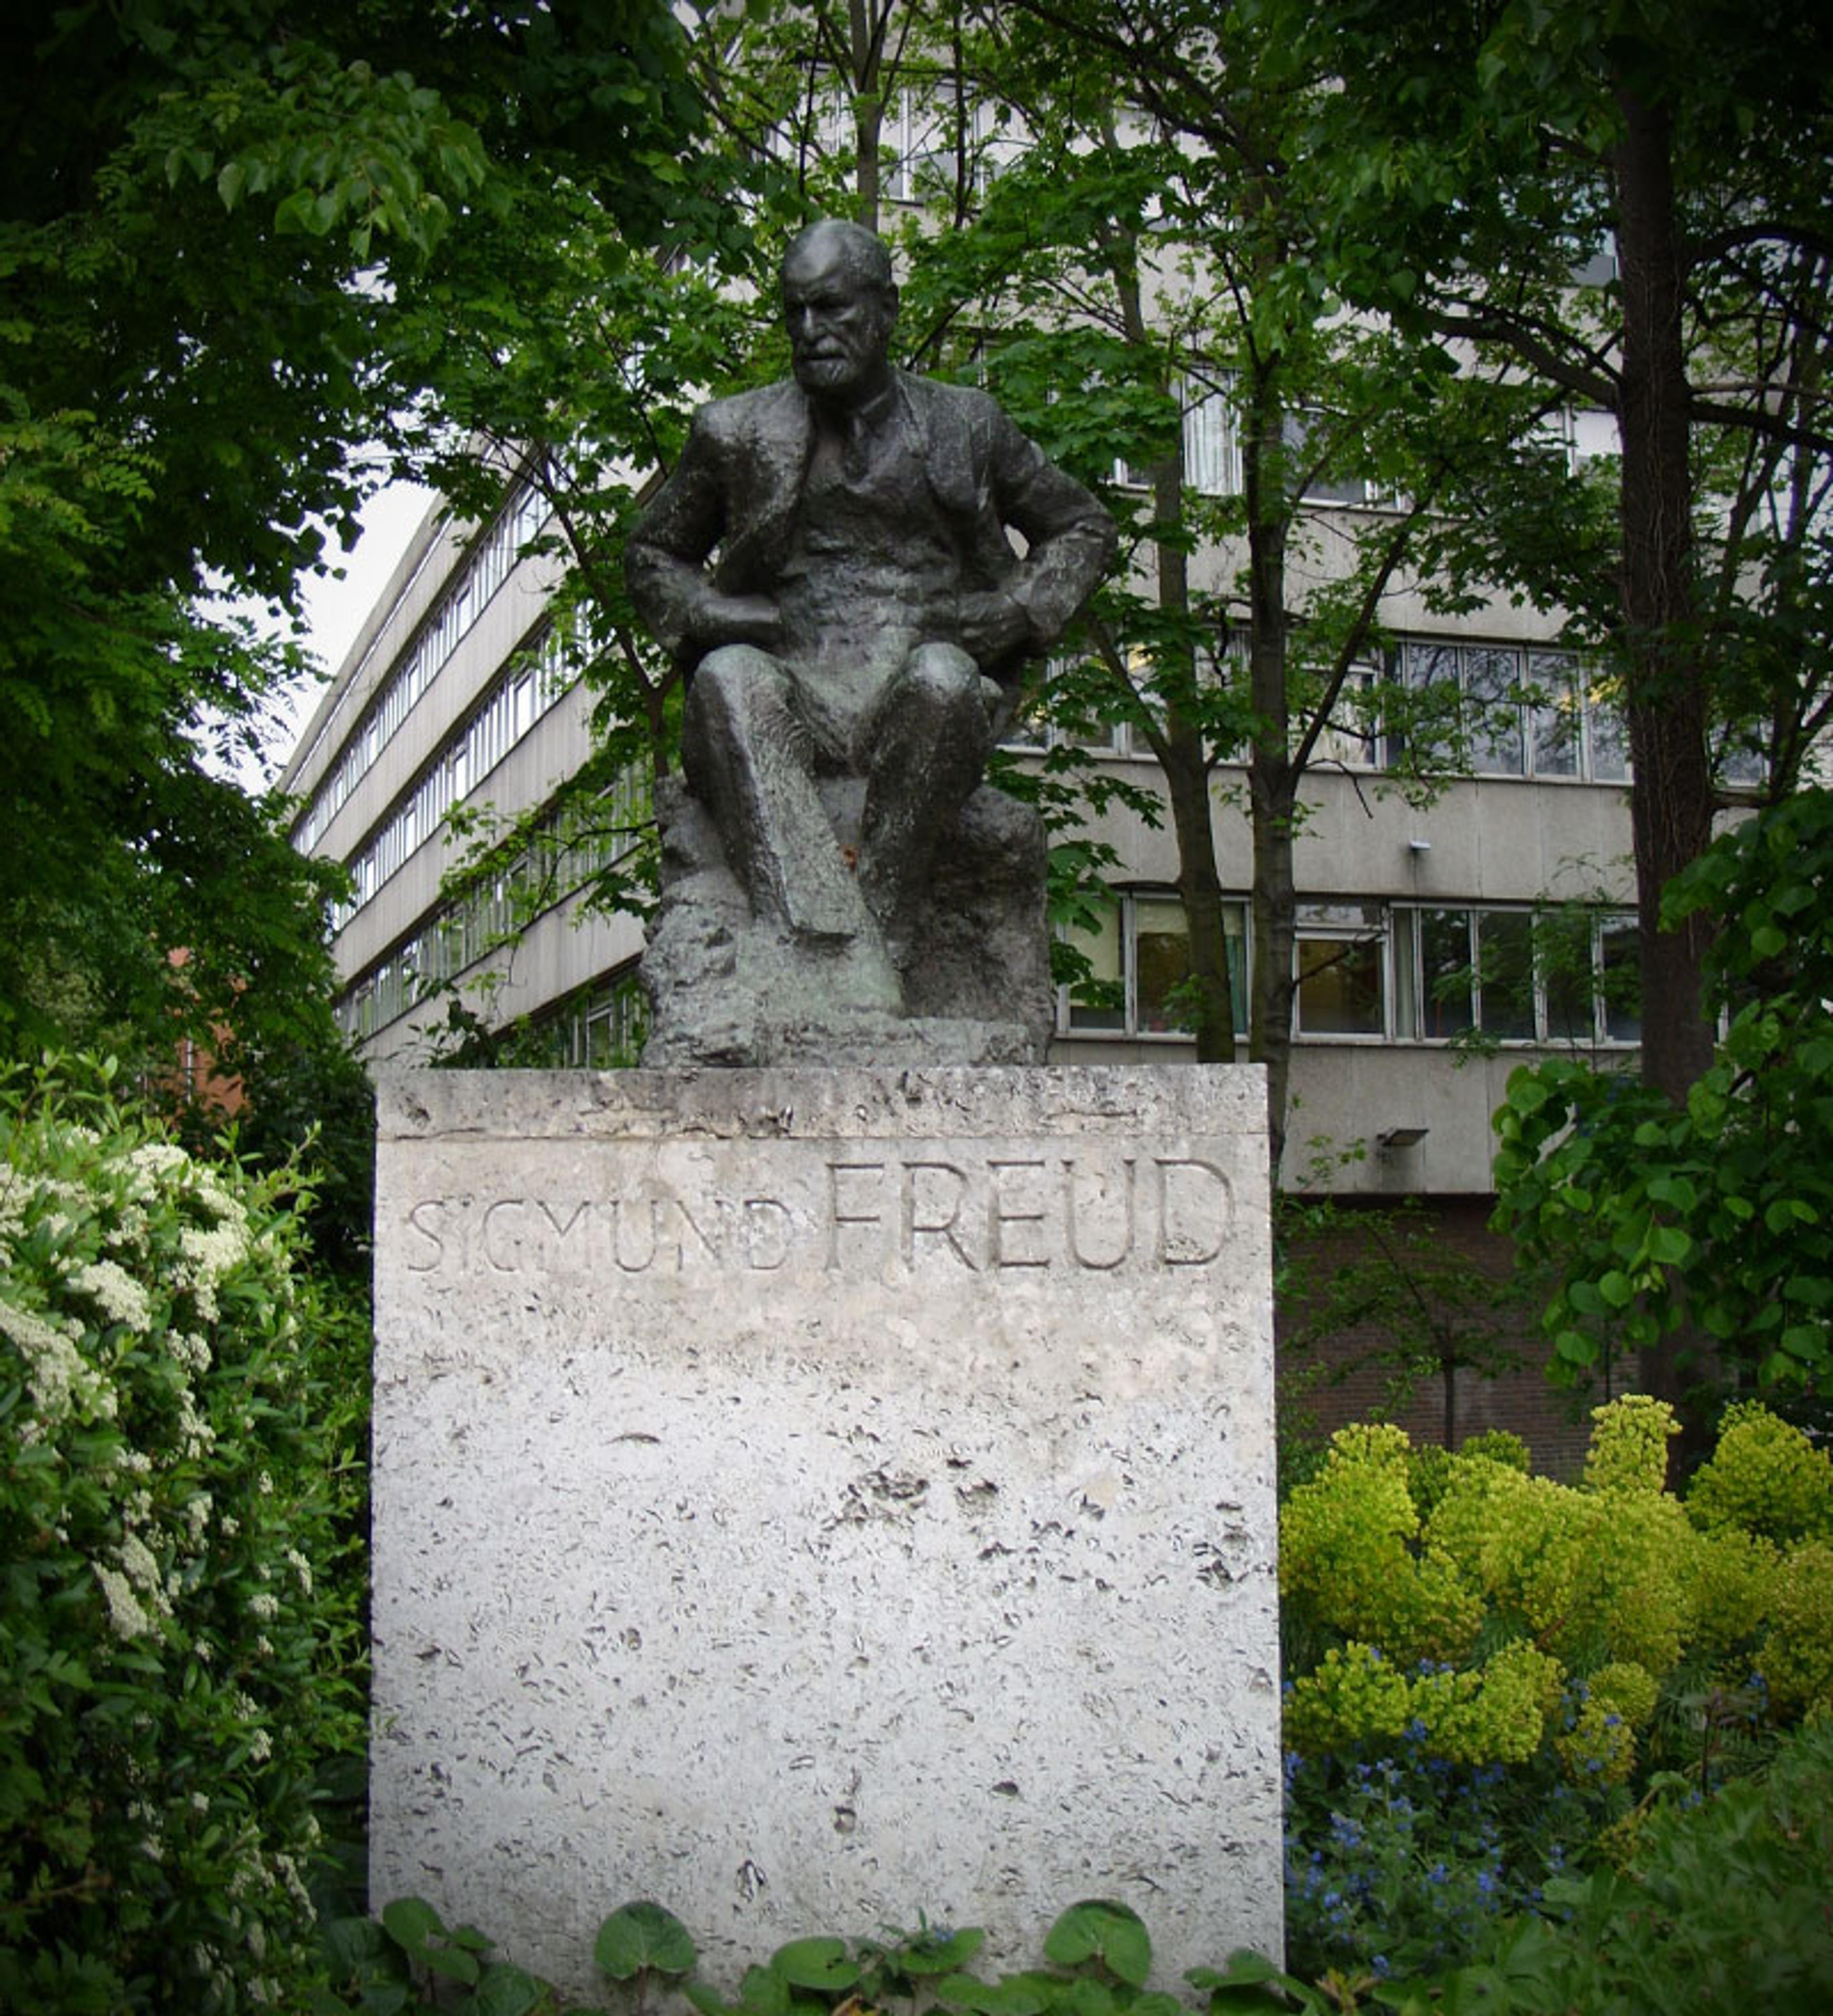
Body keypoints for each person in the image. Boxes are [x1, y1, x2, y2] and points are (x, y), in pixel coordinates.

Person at [626, 218, 1114, 976]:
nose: (811, 331)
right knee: (729, 679)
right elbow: (653, 552)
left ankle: (876, 938)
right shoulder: (735, 431)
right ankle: (813, 937)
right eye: (796, 312)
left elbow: (1081, 525)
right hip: (791, 682)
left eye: (833, 308)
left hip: (915, 685)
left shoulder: (966, 425)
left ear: (886, 310)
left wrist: (1016, 613)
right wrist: (716, 616)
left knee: (948, 681)